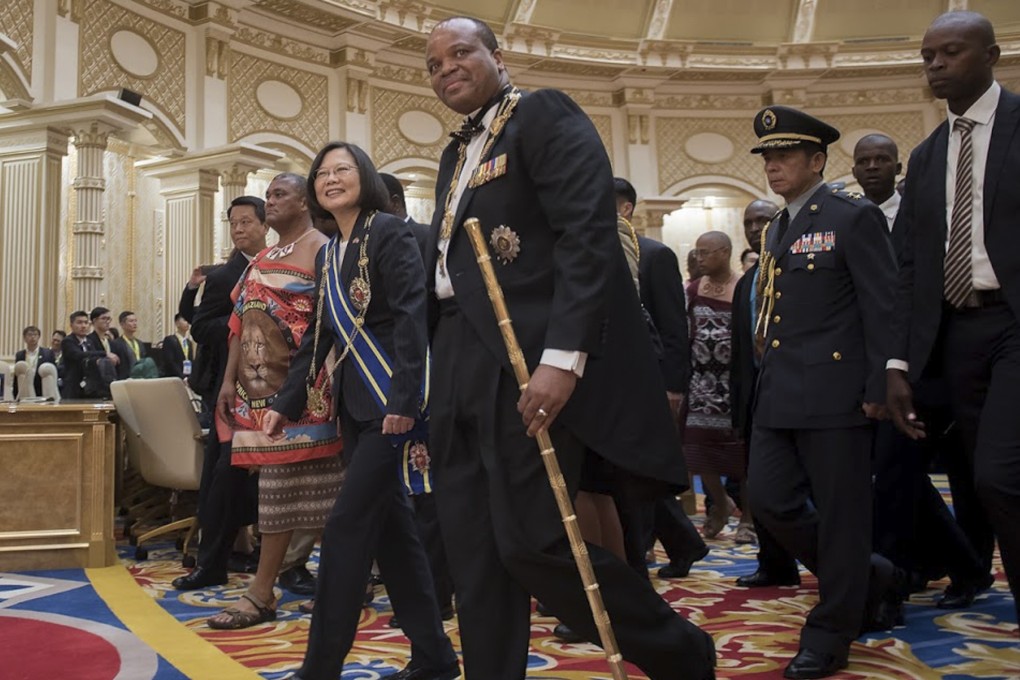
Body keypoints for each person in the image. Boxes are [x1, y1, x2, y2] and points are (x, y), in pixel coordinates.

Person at [422, 16, 715, 680]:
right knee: (472, 547)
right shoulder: (452, 152)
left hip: (521, 355)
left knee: (533, 543)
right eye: (434, 63)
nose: (446, 69)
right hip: (456, 351)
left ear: (499, 56)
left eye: (461, 53)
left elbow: (588, 235)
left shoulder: (541, 115)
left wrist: (563, 358)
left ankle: (678, 652)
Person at [265, 143, 458, 680]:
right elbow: (319, 337)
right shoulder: (329, 251)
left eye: (342, 170)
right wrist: (287, 404)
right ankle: (436, 659)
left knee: (347, 526)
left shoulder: (390, 232)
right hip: (355, 408)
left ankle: (320, 666)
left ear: (365, 178)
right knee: (395, 537)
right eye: (322, 173)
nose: (330, 179)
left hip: (391, 407)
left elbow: (412, 318)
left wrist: (405, 401)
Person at [746, 105, 899, 679]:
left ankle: (832, 630)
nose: (773, 165)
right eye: (767, 156)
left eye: (785, 155)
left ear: (817, 160)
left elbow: (882, 304)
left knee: (841, 517)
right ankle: (868, 574)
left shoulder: (850, 216)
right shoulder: (780, 224)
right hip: (780, 391)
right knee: (767, 499)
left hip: (837, 392)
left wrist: (881, 381)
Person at [887, 10, 1019, 627]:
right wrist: (898, 363)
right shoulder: (927, 153)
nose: (935, 65)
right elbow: (911, 266)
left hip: (1014, 325)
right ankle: (971, 573)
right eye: (927, 56)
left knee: (1000, 474)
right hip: (954, 334)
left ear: (992, 55)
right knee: (969, 474)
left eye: (951, 53)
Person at [207, 175, 344, 630]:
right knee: (280, 495)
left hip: (306, 397)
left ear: (305, 200)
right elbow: (239, 325)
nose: (270, 202)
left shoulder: (324, 248)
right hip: (257, 399)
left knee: (315, 497)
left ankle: (269, 592)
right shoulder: (263, 257)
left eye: (278, 194)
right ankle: (279, 590)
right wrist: (227, 382)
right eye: (267, 195)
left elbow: (335, 326)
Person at [615, 177, 709, 580]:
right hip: (618, 383)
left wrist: (674, 387)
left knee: (637, 471)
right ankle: (684, 543)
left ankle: (640, 559)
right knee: (637, 471)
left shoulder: (655, 255)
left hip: (650, 382)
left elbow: (674, 327)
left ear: (626, 209)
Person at [173, 196, 267, 591]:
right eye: (233, 223)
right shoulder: (226, 276)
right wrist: (246, 326)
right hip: (228, 392)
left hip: (272, 388)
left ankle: (258, 554)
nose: (239, 229)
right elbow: (201, 326)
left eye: (246, 221)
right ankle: (211, 560)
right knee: (224, 476)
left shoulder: (278, 266)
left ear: (265, 225)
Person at [729, 198, 801, 589]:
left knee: (798, 491)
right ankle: (775, 564)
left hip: (800, 393)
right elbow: (740, 354)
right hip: (759, 395)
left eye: (763, 221)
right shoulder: (748, 281)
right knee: (761, 485)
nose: (755, 229)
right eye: (749, 222)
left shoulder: (797, 270)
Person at [684, 231, 754, 543]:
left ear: (724, 252)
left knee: (743, 456)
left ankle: (748, 518)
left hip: (735, 384)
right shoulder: (695, 289)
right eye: (697, 252)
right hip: (701, 384)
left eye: (705, 252)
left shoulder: (743, 286)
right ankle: (720, 503)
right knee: (696, 450)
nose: (698, 258)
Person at [60, 311, 106, 399]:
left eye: (86, 323)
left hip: (90, 386)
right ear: (71, 325)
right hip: (74, 386)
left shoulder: (90, 341)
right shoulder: (68, 341)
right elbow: (78, 355)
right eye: (79, 322)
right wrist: (104, 353)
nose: (83, 326)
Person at [14, 326, 57, 398]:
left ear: (39, 337)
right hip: (25, 390)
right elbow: (17, 375)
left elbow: (53, 373)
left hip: (42, 388)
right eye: (30, 335)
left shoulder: (48, 353)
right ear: (24, 338)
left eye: (35, 335)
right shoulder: (20, 355)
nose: (33, 337)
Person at [161, 314, 194, 380]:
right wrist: (182, 377)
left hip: (187, 377)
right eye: (184, 320)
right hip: (173, 378)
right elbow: (170, 362)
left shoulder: (188, 342)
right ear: (177, 323)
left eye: (188, 320)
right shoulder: (170, 340)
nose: (187, 323)